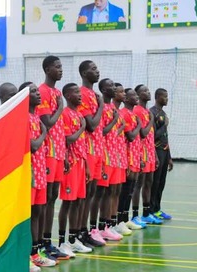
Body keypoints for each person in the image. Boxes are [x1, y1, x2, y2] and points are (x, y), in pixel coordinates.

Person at [36, 55, 69, 261]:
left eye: (61, 66)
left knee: (52, 198)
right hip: (46, 153)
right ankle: (39, 244)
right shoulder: (43, 91)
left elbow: (60, 128)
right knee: (45, 200)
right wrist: (59, 108)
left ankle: (47, 241)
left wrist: (64, 153)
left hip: (57, 153)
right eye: (57, 67)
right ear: (47, 69)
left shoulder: (57, 92)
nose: (60, 70)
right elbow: (47, 122)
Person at [19, 82, 54, 270]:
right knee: (29, 214)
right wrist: (44, 133)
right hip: (29, 173)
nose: (38, 94)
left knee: (39, 212)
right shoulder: (23, 117)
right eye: (33, 91)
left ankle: (36, 252)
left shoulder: (35, 117)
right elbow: (33, 146)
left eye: (37, 90)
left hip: (40, 171)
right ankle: (26, 256)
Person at [57, 83, 92, 256]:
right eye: (76, 92)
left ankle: (74, 238)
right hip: (70, 163)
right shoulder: (65, 114)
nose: (80, 95)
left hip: (80, 163)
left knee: (79, 201)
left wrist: (86, 166)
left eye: (80, 92)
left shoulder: (78, 114)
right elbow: (68, 139)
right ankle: (63, 241)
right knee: (68, 202)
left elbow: (82, 144)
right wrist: (82, 128)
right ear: (67, 95)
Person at [77, 60, 106, 247]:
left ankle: (85, 231)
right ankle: (78, 233)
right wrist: (102, 104)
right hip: (87, 150)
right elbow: (91, 124)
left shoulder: (94, 95)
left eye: (97, 67)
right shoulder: (82, 94)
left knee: (92, 193)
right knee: (85, 194)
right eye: (93, 69)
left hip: (98, 149)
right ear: (84, 73)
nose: (97, 71)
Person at [132, 85, 163, 226]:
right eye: (144, 91)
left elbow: (150, 137)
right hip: (141, 151)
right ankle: (135, 215)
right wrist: (151, 119)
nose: (148, 92)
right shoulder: (138, 110)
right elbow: (143, 133)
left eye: (148, 90)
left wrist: (155, 154)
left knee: (149, 182)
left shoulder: (145, 111)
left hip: (150, 151)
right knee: (139, 184)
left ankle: (147, 212)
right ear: (138, 95)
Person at [97, 78, 122, 241]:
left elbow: (113, 132)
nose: (114, 87)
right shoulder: (103, 108)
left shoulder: (112, 107)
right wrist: (114, 120)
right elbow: (103, 131)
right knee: (104, 192)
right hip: (104, 154)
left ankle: (108, 224)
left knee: (113, 190)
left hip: (113, 154)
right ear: (104, 90)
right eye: (111, 86)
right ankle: (100, 227)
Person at [118, 88, 143, 231]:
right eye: (133, 95)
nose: (137, 96)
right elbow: (131, 136)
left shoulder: (132, 114)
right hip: (127, 156)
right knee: (124, 189)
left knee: (130, 190)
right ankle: (119, 220)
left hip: (134, 155)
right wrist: (140, 125)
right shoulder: (124, 114)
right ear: (126, 99)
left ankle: (125, 219)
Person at [111, 83, 132, 236]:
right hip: (110, 155)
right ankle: (111, 223)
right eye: (121, 91)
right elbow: (110, 133)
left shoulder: (117, 111)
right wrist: (122, 125)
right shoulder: (113, 111)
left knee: (120, 191)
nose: (123, 94)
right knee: (109, 193)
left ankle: (120, 220)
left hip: (120, 154)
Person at [150, 88, 173, 220]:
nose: (166, 99)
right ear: (158, 97)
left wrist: (169, 157)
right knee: (155, 182)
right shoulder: (152, 113)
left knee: (161, 182)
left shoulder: (163, 113)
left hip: (164, 152)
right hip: (156, 151)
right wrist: (164, 125)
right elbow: (153, 136)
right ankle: (151, 210)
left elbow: (165, 137)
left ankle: (157, 209)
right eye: (164, 96)